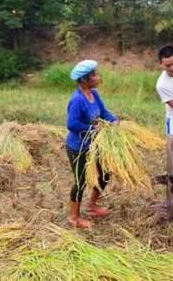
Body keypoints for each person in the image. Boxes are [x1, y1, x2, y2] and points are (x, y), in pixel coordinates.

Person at [66, 60, 118, 228]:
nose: (97, 77)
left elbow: (103, 112)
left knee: (105, 172)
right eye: (94, 75)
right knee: (80, 181)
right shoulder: (77, 100)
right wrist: (93, 128)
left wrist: (113, 120)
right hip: (78, 147)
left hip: (93, 144)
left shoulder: (93, 94)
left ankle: (92, 205)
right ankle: (74, 217)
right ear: (84, 79)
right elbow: (72, 124)